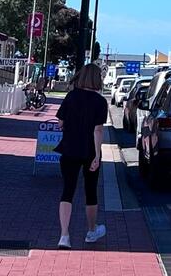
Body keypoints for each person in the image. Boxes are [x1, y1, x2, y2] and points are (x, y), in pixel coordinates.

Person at [54, 63, 108, 249]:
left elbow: (60, 123)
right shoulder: (100, 102)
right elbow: (98, 130)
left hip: (69, 148)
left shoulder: (71, 97)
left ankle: (64, 236)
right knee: (90, 191)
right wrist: (97, 155)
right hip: (89, 151)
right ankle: (91, 231)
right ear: (97, 79)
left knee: (67, 190)